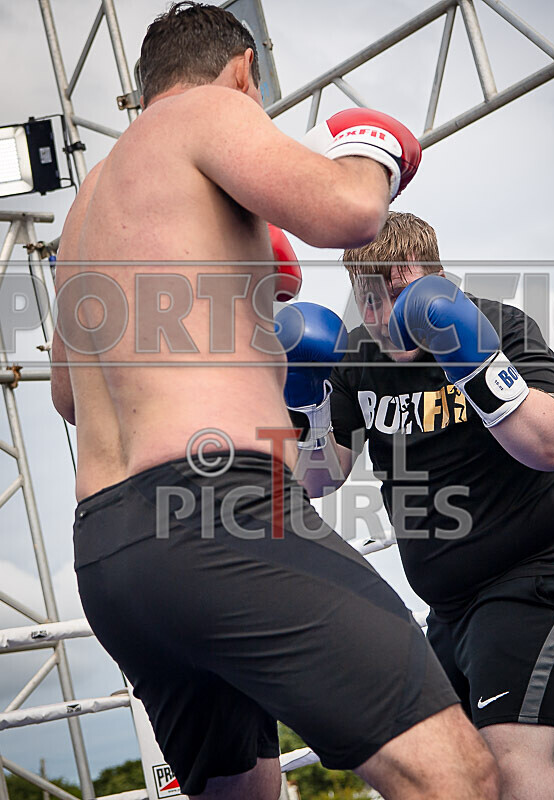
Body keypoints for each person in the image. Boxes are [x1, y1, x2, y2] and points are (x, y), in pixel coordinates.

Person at [50, 4, 499, 799]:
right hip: (217, 514)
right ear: (243, 72)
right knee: (454, 775)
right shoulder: (208, 110)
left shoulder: (86, 210)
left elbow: (67, 396)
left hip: (111, 553)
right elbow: (348, 211)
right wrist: (371, 151)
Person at [284, 211, 554, 800]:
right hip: (448, 605)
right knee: (446, 773)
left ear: (438, 283)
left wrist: (476, 366)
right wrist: (313, 414)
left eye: (399, 297)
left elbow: (553, 445)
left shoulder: (497, 325)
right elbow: (321, 479)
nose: (383, 318)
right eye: (367, 300)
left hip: (532, 574)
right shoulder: (356, 359)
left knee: (513, 763)